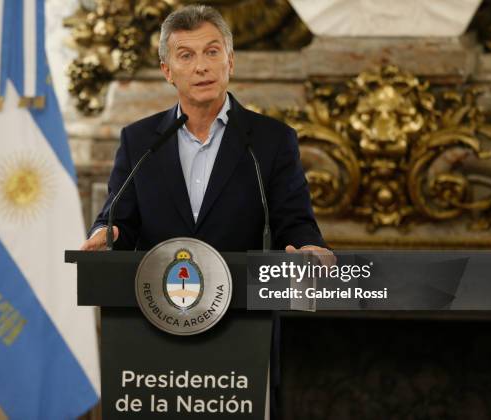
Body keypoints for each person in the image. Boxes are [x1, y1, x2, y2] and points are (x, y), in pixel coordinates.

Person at [80, 5, 335, 419]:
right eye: (187, 56)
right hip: (157, 333)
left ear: (230, 61)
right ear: (168, 71)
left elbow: (295, 219)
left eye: (212, 52)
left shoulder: (270, 141)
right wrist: (103, 234)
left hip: (243, 334)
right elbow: (118, 218)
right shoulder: (140, 140)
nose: (202, 66)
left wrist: (309, 247)